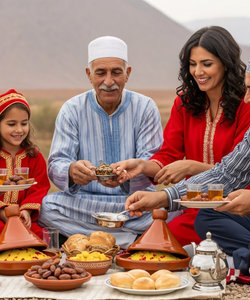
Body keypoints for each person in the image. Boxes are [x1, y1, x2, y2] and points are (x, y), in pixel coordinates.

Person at [125, 44, 250, 285]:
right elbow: (227, 174)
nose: (247, 98)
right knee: (211, 211)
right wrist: (164, 198)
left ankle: (241, 262)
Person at [113, 26, 250, 246]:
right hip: (194, 207)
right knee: (155, 247)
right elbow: (169, 154)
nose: (198, 72)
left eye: (207, 64)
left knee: (183, 240)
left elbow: (243, 172)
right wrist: (142, 166)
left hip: (239, 205)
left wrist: (192, 167)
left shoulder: (248, 105)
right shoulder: (185, 103)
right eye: (192, 64)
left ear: (226, 63)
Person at [38, 36, 163, 248]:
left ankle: (90, 241)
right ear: (89, 75)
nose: (108, 81)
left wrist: (127, 176)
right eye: (100, 73)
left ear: (127, 73)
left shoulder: (145, 108)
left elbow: (154, 165)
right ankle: (128, 241)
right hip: (84, 204)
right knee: (47, 207)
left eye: (116, 72)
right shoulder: (72, 109)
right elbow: (57, 162)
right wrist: (71, 170)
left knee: (171, 208)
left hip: (133, 204)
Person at [0, 89, 51, 239]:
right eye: (12, 124)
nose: (19, 130)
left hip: (25, 217)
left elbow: (39, 188)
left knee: (39, 234)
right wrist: (2, 212)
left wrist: (26, 211)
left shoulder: (34, 156)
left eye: (24, 123)